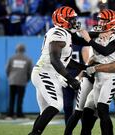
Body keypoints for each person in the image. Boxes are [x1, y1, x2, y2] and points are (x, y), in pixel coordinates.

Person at [64, 9, 115, 135]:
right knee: (89, 111)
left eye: (104, 20)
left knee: (102, 109)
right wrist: (74, 30)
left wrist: (89, 39)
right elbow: (78, 40)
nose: (100, 22)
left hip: (110, 77)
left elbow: (106, 51)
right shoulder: (97, 34)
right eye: (100, 19)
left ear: (112, 22)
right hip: (96, 78)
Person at [28, 6, 85, 135]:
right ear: (62, 19)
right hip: (46, 72)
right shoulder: (58, 33)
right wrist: (71, 80)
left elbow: (65, 59)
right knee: (56, 105)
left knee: (45, 110)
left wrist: (83, 67)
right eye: (71, 19)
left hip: (46, 72)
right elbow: (55, 60)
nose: (74, 21)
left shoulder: (64, 33)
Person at [6, 44, 32, 118]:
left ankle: (10, 114)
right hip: (22, 81)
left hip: (12, 81)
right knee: (20, 98)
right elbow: (30, 71)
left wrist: (10, 77)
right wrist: (27, 79)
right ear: (24, 50)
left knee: (12, 98)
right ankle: (19, 114)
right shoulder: (27, 59)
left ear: (16, 49)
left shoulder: (11, 58)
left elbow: (7, 69)